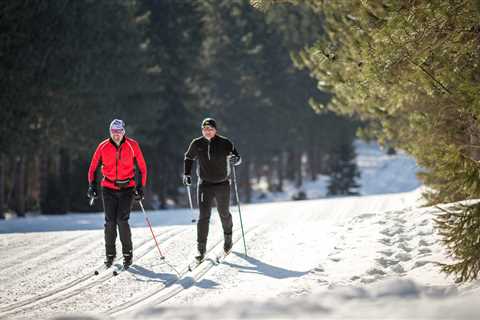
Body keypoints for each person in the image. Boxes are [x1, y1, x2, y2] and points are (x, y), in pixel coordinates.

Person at [87, 119, 147, 268]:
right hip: (108, 187)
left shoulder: (132, 146)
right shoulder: (103, 146)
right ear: (110, 132)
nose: (116, 135)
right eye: (114, 132)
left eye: (119, 132)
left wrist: (140, 187)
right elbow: (93, 168)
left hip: (127, 188)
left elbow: (142, 168)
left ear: (123, 132)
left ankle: (127, 254)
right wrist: (92, 186)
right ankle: (110, 255)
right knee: (110, 222)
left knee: (122, 220)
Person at [183, 118, 241, 262]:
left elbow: (238, 157)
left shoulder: (225, 142)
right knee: (204, 216)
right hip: (205, 185)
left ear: (215, 130)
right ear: (202, 130)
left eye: (210, 129)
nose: (207, 131)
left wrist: (236, 160)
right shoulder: (197, 143)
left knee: (224, 213)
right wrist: (187, 174)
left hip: (223, 184)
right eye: (204, 129)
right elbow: (188, 158)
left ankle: (228, 239)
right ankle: (201, 249)